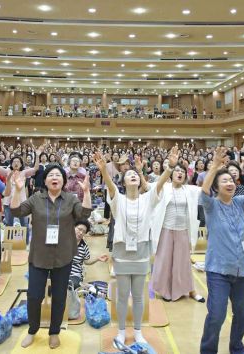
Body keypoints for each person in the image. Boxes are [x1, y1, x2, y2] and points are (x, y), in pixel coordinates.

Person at [94, 147, 174, 346]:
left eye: (135, 175)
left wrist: (170, 167)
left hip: (141, 251)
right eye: (128, 174)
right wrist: (104, 170)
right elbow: (111, 187)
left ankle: (138, 332)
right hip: (122, 252)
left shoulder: (148, 199)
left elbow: (160, 183)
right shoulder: (117, 200)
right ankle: (121, 331)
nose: (132, 176)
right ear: (123, 182)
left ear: (139, 180)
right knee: (122, 296)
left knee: (138, 296)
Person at [10, 164, 92, 349]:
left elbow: (84, 213)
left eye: (58, 175)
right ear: (45, 180)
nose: (55, 177)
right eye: (51, 175)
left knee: (59, 295)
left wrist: (86, 192)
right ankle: (33, 330)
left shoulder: (70, 199)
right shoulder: (36, 198)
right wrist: (17, 190)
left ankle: (54, 331)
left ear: (63, 181)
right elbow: (16, 211)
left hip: (63, 254)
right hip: (39, 254)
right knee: (34, 295)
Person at [199, 147, 244, 354]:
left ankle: (236, 348)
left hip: (243, 270)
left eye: (231, 180)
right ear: (217, 187)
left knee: (242, 315)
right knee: (217, 315)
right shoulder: (211, 206)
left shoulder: (239, 202)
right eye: (224, 181)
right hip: (219, 271)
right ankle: (208, 350)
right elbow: (203, 190)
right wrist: (214, 167)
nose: (229, 183)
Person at [150, 161, 205, 302]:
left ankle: (190, 290)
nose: (180, 173)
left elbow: (206, 188)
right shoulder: (164, 187)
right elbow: (147, 187)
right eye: (177, 171)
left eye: (182, 171)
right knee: (164, 261)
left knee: (183, 262)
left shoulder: (190, 189)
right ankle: (164, 290)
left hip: (183, 230)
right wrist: (138, 170)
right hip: (166, 230)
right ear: (171, 174)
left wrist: (215, 167)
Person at [69, 219, 108, 289]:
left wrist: (98, 258)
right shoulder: (64, 241)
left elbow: (86, 261)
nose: (80, 233)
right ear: (73, 227)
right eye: (79, 229)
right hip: (61, 272)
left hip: (75, 275)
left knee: (72, 285)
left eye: (83, 232)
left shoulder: (84, 245)